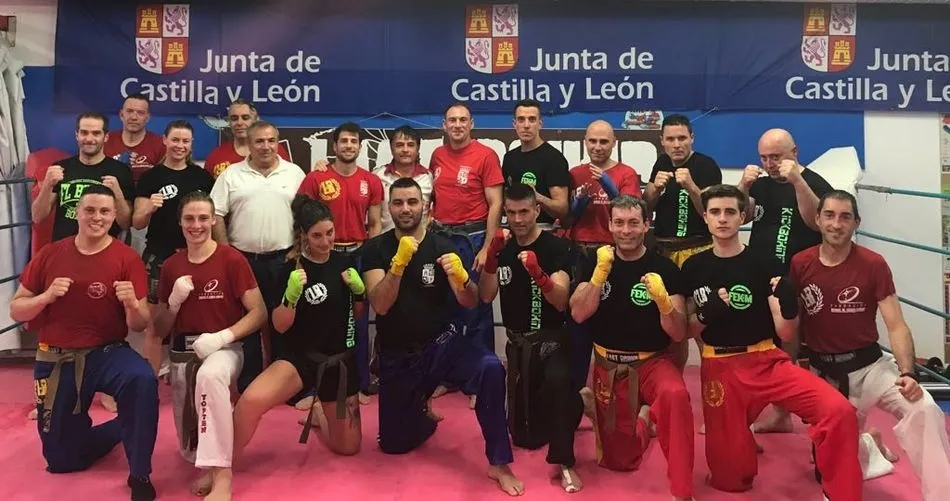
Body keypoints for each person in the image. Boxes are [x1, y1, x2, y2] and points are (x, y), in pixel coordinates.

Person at [679, 184, 861, 500]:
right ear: (705, 217)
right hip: (719, 367)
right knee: (731, 480)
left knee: (838, 410)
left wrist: (789, 307)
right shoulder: (693, 267)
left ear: (742, 217)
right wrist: (707, 315)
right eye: (715, 212)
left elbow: (786, 333)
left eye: (730, 212)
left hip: (766, 360)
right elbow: (683, 331)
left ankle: (840, 493)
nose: (722, 219)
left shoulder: (763, 262)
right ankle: (739, 442)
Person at [361, 177, 523, 495]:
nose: (405, 209)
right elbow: (380, 305)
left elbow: (471, 300)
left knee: (490, 368)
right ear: (389, 207)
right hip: (398, 355)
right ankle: (421, 408)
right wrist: (399, 264)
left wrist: (461, 277)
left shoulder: (443, 246)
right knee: (393, 445)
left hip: (442, 347)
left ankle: (499, 462)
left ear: (425, 207)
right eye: (398, 203)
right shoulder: (375, 249)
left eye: (412, 202)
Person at [791, 190, 950, 500]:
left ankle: (942, 494)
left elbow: (896, 324)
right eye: (829, 215)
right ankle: (868, 441)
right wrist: (792, 367)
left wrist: (909, 373)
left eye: (845, 217)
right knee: (826, 473)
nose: (836, 224)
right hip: (826, 376)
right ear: (817, 219)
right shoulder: (801, 263)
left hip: (871, 367)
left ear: (856, 223)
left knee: (924, 408)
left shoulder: (872, 264)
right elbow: (793, 323)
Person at [10, 184, 158, 501]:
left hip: (107, 352)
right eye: (90, 210)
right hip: (57, 357)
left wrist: (133, 305)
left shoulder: (127, 258)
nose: (97, 217)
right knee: (61, 460)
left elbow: (141, 323)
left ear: (114, 216)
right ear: (77, 213)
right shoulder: (50, 254)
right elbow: (16, 308)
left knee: (142, 379)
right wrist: (46, 297)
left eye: (104, 211)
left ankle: (140, 473)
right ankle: (117, 429)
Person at [232, 196, 366, 489]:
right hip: (300, 358)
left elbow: (356, 315)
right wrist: (290, 297)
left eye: (329, 233)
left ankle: (318, 411)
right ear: (304, 234)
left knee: (349, 447)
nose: (325, 241)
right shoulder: (289, 270)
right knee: (250, 402)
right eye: (317, 235)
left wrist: (359, 293)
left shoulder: (343, 263)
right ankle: (221, 467)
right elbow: (279, 325)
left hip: (338, 361)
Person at [569, 195, 695, 501]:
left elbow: (679, 332)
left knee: (676, 395)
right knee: (620, 461)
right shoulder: (594, 261)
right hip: (608, 364)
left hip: (653, 363)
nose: (626, 230)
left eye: (634, 223)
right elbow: (578, 314)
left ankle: (682, 491)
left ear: (646, 225)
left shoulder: (664, 268)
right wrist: (599, 276)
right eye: (620, 223)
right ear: (610, 225)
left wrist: (663, 302)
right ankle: (630, 415)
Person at [146, 191, 266, 501]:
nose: (196, 225)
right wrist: (173, 304)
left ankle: (222, 476)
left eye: (203, 218)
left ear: (213, 220)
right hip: (183, 353)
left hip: (226, 348)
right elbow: (159, 329)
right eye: (189, 218)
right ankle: (212, 462)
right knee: (190, 448)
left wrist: (222, 337)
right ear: (180, 222)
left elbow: (259, 313)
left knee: (210, 376)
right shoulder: (171, 266)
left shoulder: (231, 259)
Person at [478, 183, 582, 492]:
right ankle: (582, 401)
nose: (518, 219)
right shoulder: (503, 246)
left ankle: (565, 463)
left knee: (559, 382)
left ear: (537, 210)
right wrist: (491, 257)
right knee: (525, 438)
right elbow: (486, 296)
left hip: (552, 341)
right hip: (519, 346)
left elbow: (561, 301)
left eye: (524, 211)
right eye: (511, 213)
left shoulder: (557, 247)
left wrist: (539, 274)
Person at [738, 128, 835, 433]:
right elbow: (741, 216)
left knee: (790, 348)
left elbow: (817, 223)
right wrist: (743, 185)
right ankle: (772, 414)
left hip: (799, 279)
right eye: (764, 157)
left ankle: (806, 414)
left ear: (795, 152)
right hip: (760, 276)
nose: (769, 163)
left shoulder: (815, 182)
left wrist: (797, 181)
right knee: (759, 346)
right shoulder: (762, 184)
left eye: (776, 157)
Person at [210, 120, 306, 392]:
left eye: (271, 140)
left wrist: (299, 248)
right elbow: (216, 213)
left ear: (277, 142)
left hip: (284, 260)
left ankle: (284, 385)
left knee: (284, 324)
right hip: (243, 261)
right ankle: (250, 384)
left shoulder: (295, 173)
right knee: (247, 324)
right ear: (249, 145)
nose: (266, 146)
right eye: (259, 141)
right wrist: (226, 252)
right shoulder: (231, 174)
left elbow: (306, 214)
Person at [298, 121, 383, 403]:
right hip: (323, 256)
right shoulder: (316, 178)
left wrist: (371, 256)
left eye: (353, 141)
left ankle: (358, 384)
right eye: (344, 141)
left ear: (360, 146)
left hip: (357, 255)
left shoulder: (371, 181)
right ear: (334, 145)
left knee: (358, 321)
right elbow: (302, 218)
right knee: (318, 319)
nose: (348, 145)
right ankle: (312, 387)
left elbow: (374, 223)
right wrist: (306, 255)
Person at [566, 119, 643, 414]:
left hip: (613, 253)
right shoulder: (576, 173)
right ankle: (575, 399)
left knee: (616, 323)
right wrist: (578, 205)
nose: (597, 147)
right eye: (593, 141)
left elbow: (632, 211)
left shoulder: (626, 173)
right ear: (585, 142)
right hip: (580, 253)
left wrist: (610, 187)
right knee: (578, 326)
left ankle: (622, 399)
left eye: (603, 141)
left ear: (614, 143)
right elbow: (568, 219)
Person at [133, 121, 214, 379]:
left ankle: (195, 377)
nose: (180, 145)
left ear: (191, 144)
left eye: (185, 141)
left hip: (196, 256)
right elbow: (137, 222)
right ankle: (148, 385)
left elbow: (214, 218)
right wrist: (149, 208)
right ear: (165, 141)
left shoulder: (202, 178)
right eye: (175, 140)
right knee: (154, 325)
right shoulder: (151, 177)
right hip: (159, 255)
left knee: (198, 320)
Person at [642, 114, 722, 372]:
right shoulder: (661, 163)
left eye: (682, 138)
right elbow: (646, 209)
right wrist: (654, 189)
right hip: (665, 252)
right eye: (671, 139)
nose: (676, 144)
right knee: (672, 324)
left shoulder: (706, 166)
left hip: (698, 251)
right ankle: (674, 384)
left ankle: (714, 385)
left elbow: (712, 214)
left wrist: (692, 187)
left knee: (703, 323)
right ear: (662, 141)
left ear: (692, 138)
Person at [429, 102, 504, 359]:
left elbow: (496, 203)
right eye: (452, 120)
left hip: (473, 239)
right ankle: (447, 370)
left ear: (471, 124)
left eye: (463, 120)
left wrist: (487, 247)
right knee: (445, 305)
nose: (458, 125)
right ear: (444, 125)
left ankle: (481, 372)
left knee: (476, 307)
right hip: (441, 237)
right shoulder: (437, 155)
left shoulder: (485, 155)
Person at [32, 112, 135, 243]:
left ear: (106, 137)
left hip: (102, 248)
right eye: (84, 132)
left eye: (96, 133)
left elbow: (125, 223)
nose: (89, 138)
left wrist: (118, 194)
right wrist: (47, 185)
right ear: (77, 135)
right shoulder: (61, 168)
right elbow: (37, 217)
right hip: (64, 247)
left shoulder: (120, 171)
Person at [501, 99, 570, 229]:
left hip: (543, 230)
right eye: (521, 120)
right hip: (514, 230)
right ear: (514, 124)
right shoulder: (509, 158)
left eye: (532, 119)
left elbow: (562, 210)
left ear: (540, 124)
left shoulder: (553, 158)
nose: (526, 125)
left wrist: (538, 197)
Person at [204, 99, 292, 180]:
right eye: (234, 118)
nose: (239, 123)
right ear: (229, 122)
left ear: (255, 120)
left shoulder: (275, 151)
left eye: (245, 118)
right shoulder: (216, 156)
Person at [373, 125, 434, 232]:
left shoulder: (428, 177)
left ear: (418, 149)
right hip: (385, 240)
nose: (405, 150)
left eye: (410, 145)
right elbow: (373, 221)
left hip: (420, 241)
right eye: (399, 145)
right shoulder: (377, 176)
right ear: (391, 148)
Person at [103, 93, 166, 184]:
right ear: (121, 114)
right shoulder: (106, 140)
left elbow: (163, 181)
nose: (134, 117)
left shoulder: (160, 145)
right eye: (129, 111)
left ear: (147, 118)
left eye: (140, 113)